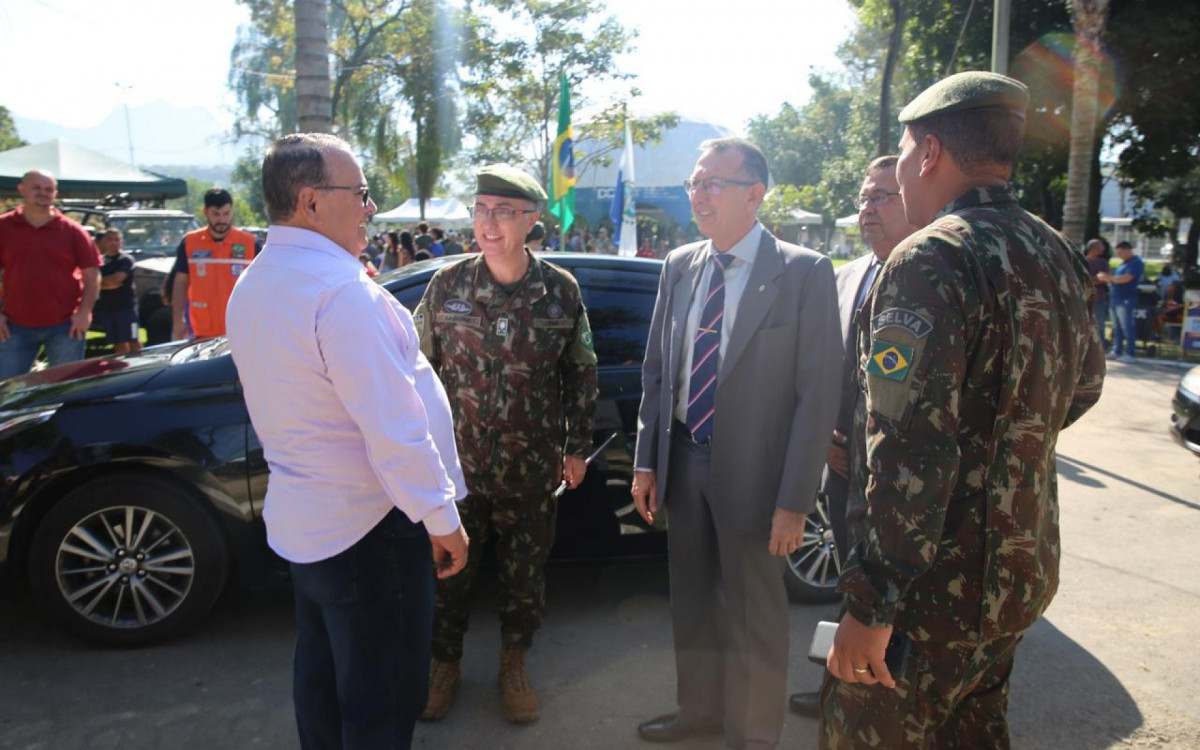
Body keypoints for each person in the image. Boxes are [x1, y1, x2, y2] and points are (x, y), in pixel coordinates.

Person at [820, 71, 1106, 750]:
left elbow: (908, 448)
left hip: (928, 596)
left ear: (929, 153)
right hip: (1016, 576)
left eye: (903, 151)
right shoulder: (1055, 251)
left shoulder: (930, 257)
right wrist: (1001, 445)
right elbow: (1084, 386)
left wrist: (871, 603)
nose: (901, 174)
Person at [225, 133, 469, 750]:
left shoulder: (257, 281)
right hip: (372, 528)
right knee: (381, 704)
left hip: (311, 525)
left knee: (324, 687)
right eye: (360, 193)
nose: (370, 208)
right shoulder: (340, 292)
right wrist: (442, 517)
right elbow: (394, 427)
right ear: (311, 202)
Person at [632, 138, 842, 750]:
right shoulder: (679, 265)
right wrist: (647, 462)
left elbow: (816, 397)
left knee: (754, 612)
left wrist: (795, 502)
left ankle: (753, 736)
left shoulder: (802, 272)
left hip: (757, 474)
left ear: (754, 195)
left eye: (713, 184)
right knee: (693, 598)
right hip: (683, 460)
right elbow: (657, 372)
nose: (699, 195)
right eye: (695, 183)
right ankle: (699, 712)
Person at [414, 164, 597, 725]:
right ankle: (443, 665)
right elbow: (414, 372)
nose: (488, 224)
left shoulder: (559, 291)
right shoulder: (447, 286)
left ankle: (514, 664)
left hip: (531, 469)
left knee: (524, 578)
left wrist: (576, 445)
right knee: (449, 574)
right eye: (480, 210)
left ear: (531, 219)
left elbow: (580, 371)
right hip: (459, 469)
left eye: (503, 212)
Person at [788, 155, 920, 719]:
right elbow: (816, 368)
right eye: (865, 197)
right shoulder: (844, 277)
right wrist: (821, 436)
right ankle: (843, 693)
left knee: (898, 602)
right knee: (853, 586)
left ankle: (882, 706)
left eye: (883, 196)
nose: (868, 208)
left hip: (905, 484)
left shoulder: (931, 277)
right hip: (844, 473)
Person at [0, 170, 101, 378]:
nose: (43, 193)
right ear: (22, 190)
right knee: (7, 390)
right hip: (14, 325)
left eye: (49, 189)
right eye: (36, 188)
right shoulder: (3, 227)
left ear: (55, 194)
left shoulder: (73, 231)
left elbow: (92, 274)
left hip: (66, 326)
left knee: (65, 388)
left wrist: (85, 312)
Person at [171, 188, 258, 340]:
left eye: (226, 213)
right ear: (205, 212)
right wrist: (177, 320)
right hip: (201, 329)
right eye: (216, 214)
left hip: (240, 329)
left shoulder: (250, 243)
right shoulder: (190, 242)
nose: (222, 220)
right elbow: (180, 283)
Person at [94, 228, 142, 355]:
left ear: (121, 242)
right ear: (104, 241)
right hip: (108, 309)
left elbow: (116, 279)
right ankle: (123, 366)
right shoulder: (100, 261)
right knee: (118, 343)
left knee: (133, 341)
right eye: (110, 239)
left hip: (126, 308)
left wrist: (100, 283)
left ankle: (141, 363)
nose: (113, 243)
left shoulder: (126, 259)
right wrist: (105, 284)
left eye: (116, 240)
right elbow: (93, 280)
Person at [1097, 240, 1142, 363]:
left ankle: (1130, 352)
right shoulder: (1123, 264)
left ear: (1128, 250)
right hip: (1115, 298)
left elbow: (1127, 278)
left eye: (1121, 252)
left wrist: (1109, 278)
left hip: (1126, 298)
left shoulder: (1136, 263)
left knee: (1126, 325)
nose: (1119, 255)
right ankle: (1117, 350)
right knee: (1116, 327)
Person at [1084, 238, 1111, 351]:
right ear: (1093, 248)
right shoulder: (1083, 261)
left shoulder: (1103, 262)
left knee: (1100, 323)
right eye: (1100, 246)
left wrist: (1094, 280)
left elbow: (1106, 278)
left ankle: (1100, 348)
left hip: (1100, 298)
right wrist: (1097, 278)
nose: (1103, 248)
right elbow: (1083, 280)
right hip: (1085, 298)